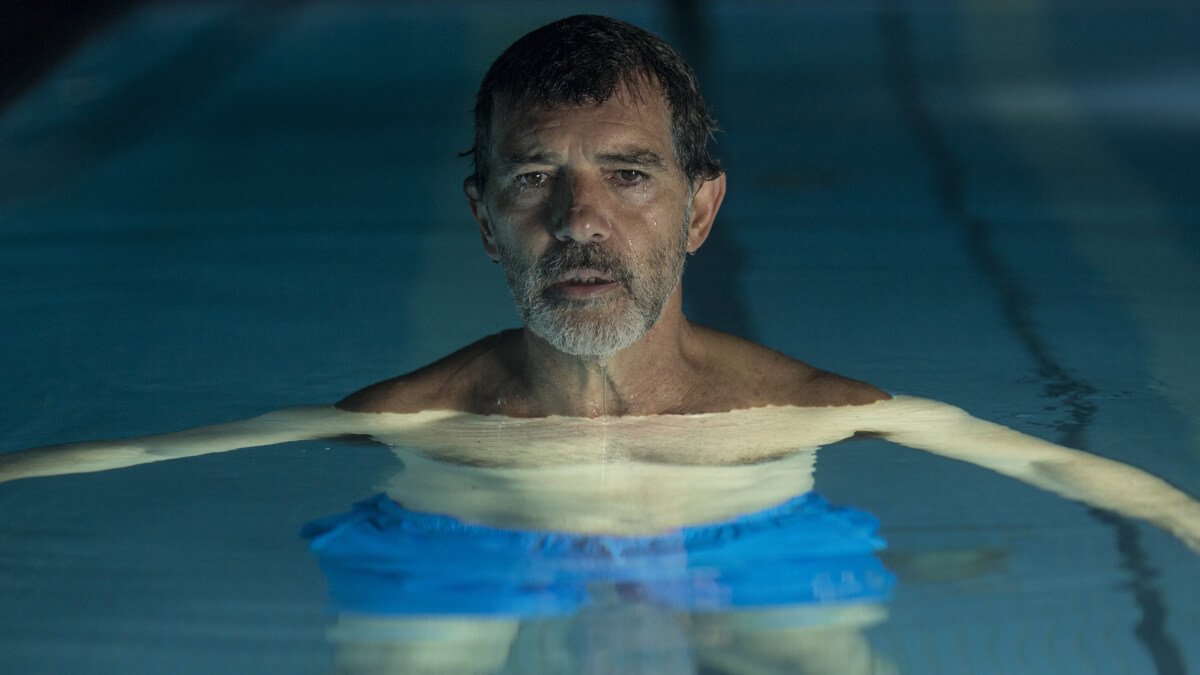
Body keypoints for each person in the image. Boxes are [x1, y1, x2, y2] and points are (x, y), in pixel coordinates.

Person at [1, 13, 1198, 674]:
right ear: (484, 217)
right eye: (535, 178)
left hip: (757, 543)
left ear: (699, 205)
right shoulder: (409, 414)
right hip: (456, 544)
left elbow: (1045, 465)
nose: (580, 222)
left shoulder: (807, 403)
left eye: (628, 175)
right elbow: (150, 455)